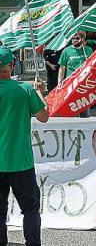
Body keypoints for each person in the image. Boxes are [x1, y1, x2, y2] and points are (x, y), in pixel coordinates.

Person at [0, 46, 49, 246]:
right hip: (21, 162)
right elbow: (44, 116)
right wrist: (40, 92)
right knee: (30, 209)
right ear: (11, 65)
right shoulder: (25, 90)